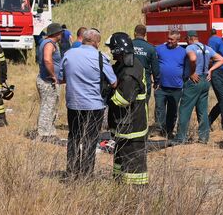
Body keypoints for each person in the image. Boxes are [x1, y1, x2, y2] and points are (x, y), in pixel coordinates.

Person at [59, 29, 117, 179]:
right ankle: (86, 174)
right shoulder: (100, 57)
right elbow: (113, 82)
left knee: (74, 137)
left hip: (73, 104)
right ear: (96, 42)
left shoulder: (68, 54)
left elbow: (61, 77)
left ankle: (71, 171)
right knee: (90, 139)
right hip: (94, 105)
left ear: (83, 40)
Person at [106, 32, 148, 185]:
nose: (112, 54)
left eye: (113, 50)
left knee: (133, 162)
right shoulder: (124, 65)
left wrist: (108, 95)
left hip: (132, 126)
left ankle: (136, 190)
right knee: (121, 157)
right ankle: (120, 184)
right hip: (124, 124)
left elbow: (124, 98)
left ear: (119, 51)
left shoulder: (130, 73)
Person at [174, 31, 223, 145]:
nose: (186, 41)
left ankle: (181, 138)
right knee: (202, 110)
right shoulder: (207, 48)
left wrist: (192, 72)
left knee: (185, 110)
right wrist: (210, 70)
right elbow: (222, 59)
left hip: (194, 81)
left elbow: (192, 59)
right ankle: (204, 138)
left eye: (186, 39)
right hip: (205, 80)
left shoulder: (190, 47)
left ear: (190, 38)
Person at [154, 29, 186, 139]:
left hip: (176, 87)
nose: (169, 41)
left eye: (172, 39)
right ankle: (159, 130)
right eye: (168, 38)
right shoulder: (159, 49)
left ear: (178, 40)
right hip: (161, 86)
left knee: (172, 111)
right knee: (159, 108)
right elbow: (152, 62)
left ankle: (169, 131)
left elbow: (187, 68)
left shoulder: (183, 52)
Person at [36, 22, 64, 141]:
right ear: (56, 33)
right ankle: (43, 134)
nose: (62, 35)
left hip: (49, 80)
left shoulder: (47, 42)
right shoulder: (49, 44)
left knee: (51, 106)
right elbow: (47, 60)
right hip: (48, 81)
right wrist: (53, 75)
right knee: (47, 107)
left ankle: (50, 131)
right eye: (61, 33)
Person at [131, 24, 160, 104]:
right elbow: (155, 68)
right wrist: (156, 81)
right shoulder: (150, 48)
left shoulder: (129, 45)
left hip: (129, 79)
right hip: (144, 81)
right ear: (145, 34)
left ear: (135, 33)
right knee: (143, 106)